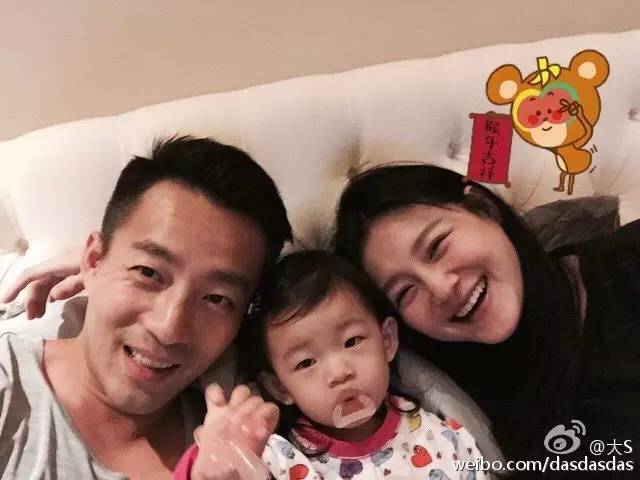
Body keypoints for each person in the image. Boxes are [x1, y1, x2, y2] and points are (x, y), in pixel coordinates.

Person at [0, 135, 292, 479]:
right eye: (148, 272)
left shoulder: (242, 444)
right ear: (93, 260)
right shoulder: (9, 384)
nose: (169, 328)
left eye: (216, 298)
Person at [333, 164, 640, 475]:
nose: (441, 289)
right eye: (405, 291)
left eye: (437, 246)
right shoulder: (462, 420)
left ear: (483, 207)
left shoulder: (628, 265)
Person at [175, 250, 486, 479]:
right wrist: (212, 468)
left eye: (352, 342)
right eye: (306, 362)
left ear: (387, 341)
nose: (340, 373)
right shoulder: (274, 459)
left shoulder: (440, 436)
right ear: (280, 387)